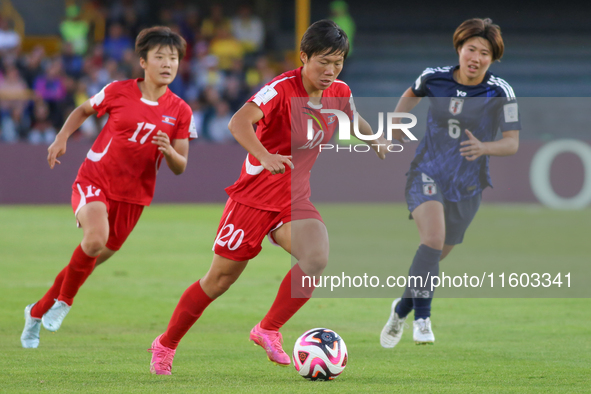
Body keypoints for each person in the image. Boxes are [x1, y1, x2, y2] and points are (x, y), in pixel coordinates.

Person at [148, 19, 389, 375]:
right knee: (219, 280)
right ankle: (165, 344)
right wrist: (265, 155)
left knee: (316, 258)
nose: (330, 70)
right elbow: (238, 122)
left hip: (293, 199)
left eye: (337, 62)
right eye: (323, 61)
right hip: (253, 199)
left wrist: (374, 140)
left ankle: (268, 329)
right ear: (304, 57)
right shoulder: (280, 89)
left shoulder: (339, 90)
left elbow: (353, 116)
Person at [21, 26, 196, 349]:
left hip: (135, 197)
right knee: (94, 238)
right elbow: (83, 110)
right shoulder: (118, 90)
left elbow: (181, 165)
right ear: (143, 61)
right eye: (160, 57)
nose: (168, 64)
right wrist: (61, 138)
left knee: (89, 257)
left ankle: (36, 312)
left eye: (173, 58)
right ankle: (65, 303)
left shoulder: (181, 111)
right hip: (95, 180)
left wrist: (168, 150)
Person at [380, 18, 521, 348]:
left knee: (433, 257)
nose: (476, 57)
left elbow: (512, 142)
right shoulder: (434, 77)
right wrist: (394, 128)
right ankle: (423, 320)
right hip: (426, 173)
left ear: (493, 58)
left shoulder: (501, 92)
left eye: (484, 52)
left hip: (468, 187)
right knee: (432, 239)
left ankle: (400, 309)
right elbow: (410, 94)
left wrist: (485, 147)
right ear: (459, 49)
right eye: (471, 48)